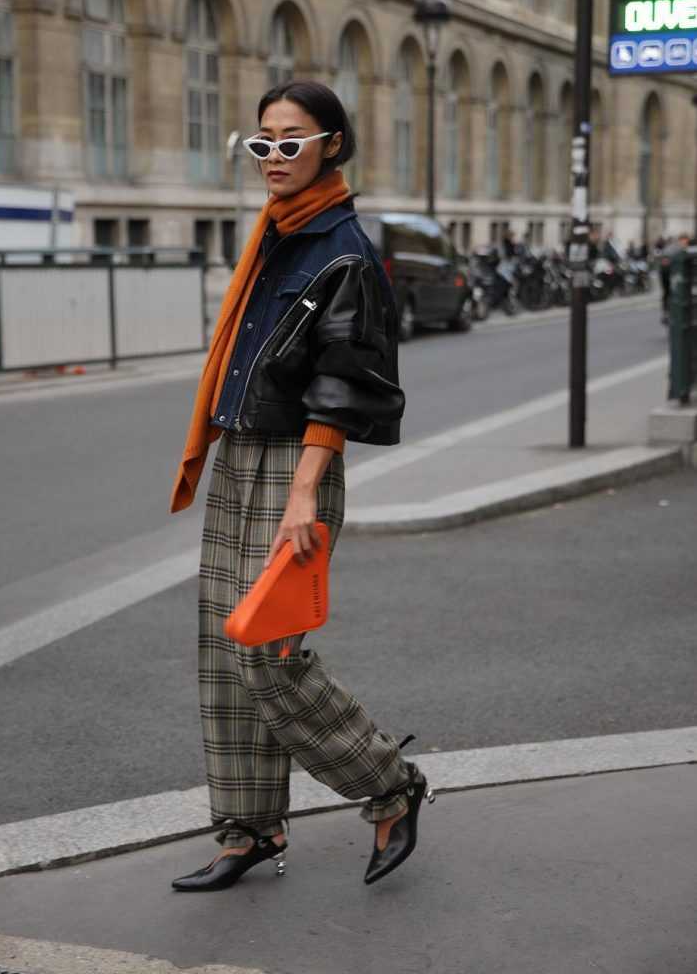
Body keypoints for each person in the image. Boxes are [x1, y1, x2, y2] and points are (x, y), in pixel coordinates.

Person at [169, 80, 432, 892]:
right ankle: (249, 828)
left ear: (331, 145)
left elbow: (342, 383)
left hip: (295, 464)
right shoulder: (275, 233)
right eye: (263, 142)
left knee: (267, 652)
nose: (274, 156)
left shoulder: (341, 250)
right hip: (242, 453)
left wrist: (304, 493)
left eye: (291, 141)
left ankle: (388, 784)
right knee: (225, 651)